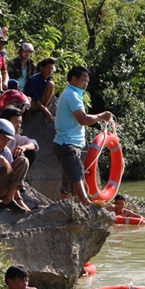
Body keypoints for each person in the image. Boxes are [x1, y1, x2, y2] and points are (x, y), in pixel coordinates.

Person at [53, 66, 112, 205]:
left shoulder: (72, 93)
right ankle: (86, 203)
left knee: (67, 182)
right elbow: (83, 119)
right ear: (73, 79)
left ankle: (64, 209)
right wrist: (101, 116)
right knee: (77, 175)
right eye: (83, 80)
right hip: (67, 144)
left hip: (64, 144)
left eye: (87, 81)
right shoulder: (71, 95)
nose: (86, 84)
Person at [24, 57, 56, 123]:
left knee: (51, 84)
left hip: (41, 103)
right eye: (48, 68)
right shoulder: (34, 79)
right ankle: (29, 113)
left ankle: (45, 106)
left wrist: (45, 108)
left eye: (52, 69)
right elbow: (34, 99)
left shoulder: (48, 80)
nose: (50, 71)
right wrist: (45, 110)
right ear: (42, 68)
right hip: (31, 104)